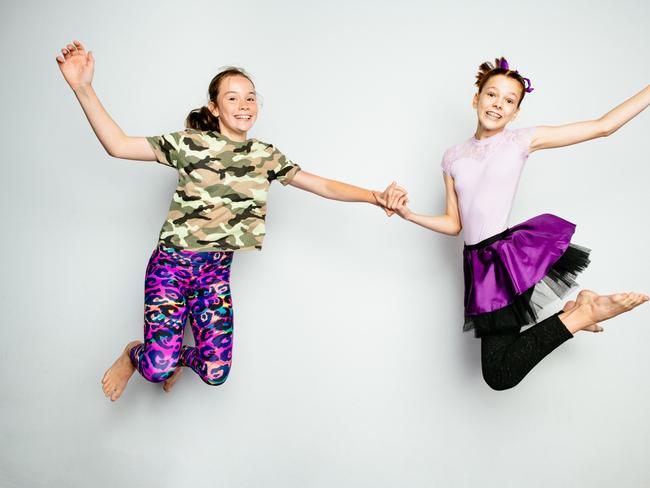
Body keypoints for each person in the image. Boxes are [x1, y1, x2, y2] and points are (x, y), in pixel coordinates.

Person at [56, 40, 405, 401]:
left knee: (215, 372)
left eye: (250, 97)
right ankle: (134, 352)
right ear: (215, 107)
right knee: (155, 366)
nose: (244, 105)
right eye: (233, 97)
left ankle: (176, 357)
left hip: (214, 274)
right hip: (171, 267)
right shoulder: (189, 144)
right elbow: (118, 145)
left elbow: (321, 185)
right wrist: (83, 87)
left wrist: (374, 196)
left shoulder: (264, 156)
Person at [385, 57, 648, 390]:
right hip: (478, 263)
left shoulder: (521, 140)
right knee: (499, 370)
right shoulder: (452, 157)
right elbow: (454, 224)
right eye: (492, 95)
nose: (498, 104)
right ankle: (579, 311)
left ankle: (583, 314)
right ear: (476, 98)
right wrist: (409, 214)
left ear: (516, 113)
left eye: (509, 100)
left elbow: (603, 126)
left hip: (507, 259)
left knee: (499, 375)